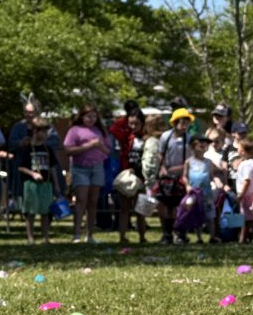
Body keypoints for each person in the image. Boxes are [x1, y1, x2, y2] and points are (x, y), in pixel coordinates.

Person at [64, 103, 110, 245]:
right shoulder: (74, 130)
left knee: (93, 201)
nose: (91, 119)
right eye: (88, 116)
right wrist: (89, 145)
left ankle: (90, 235)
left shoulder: (99, 131)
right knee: (81, 200)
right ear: (82, 116)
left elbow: (108, 151)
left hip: (97, 167)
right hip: (80, 168)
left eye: (94, 116)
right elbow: (68, 150)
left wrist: (99, 145)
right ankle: (77, 234)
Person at [16, 117, 59, 243]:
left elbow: (52, 167)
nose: (46, 135)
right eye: (43, 132)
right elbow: (20, 166)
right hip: (31, 184)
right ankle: (31, 237)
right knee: (31, 212)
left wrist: (56, 184)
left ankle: (45, 237)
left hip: (46, 184)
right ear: (35, 131)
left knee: (46, 211)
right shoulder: (27, 149)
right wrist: (32, 174)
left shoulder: (48, 149)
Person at [155, 108, 193, 244]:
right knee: (167, 206)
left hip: (182, 175)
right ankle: (167, 234)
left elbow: (191, 158)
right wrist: (163, 168)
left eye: (187, 122)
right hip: (167, 177)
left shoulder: (189, 138)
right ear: (175, 122)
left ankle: (181, 234)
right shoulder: (166, 137)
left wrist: (184, 170)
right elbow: (160, 154)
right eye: (182, 121)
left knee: (182, 206)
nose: (185, 125)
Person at [115, 111, 148, 245]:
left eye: (136, 123)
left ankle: (142, 237)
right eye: (130, 123)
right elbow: (114, 129)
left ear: (142, 123)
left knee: (140, 209)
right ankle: (122, 236)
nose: (133, 126)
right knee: (124, 209)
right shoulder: (125, 138)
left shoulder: (146, 139)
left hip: (141, 177)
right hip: (126, 176)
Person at [182, 132, 220, 243]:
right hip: (194, 193)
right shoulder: (189, 162)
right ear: (193, 147)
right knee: (196, 215)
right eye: (200, 144)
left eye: (205, 144)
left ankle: (212, 237)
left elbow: (212, 176)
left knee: (210, 216)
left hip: (207, 193)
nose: (203, 146)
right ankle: (199, 237)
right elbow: (184, 176)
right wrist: (187, 185)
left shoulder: (208, 162)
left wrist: (218, 183)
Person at [235, 136, 253, 244]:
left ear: (243, 152)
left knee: (250, 220)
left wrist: (241, 195)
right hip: (251, 194)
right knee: (248, 219)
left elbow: (247, 181)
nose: (237, 150)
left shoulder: (247, 165)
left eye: (239, 148)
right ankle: (243, 239)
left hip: (247, 195)